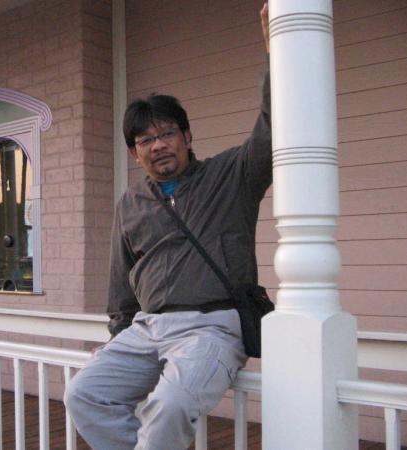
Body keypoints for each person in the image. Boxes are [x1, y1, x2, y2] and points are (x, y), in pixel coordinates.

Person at [65, 4, 271, 449]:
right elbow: (122, 283)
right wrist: (118, 338)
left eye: (167, 134)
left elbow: (272, 130)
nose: (158, 145)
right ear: (134, 153)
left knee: (171, 405)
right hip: (147, 329)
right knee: (84, 393)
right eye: (146, 140)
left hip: (212, 327)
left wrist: (276, 54)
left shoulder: (230, 176)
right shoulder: (131, 202)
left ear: (187, 137)